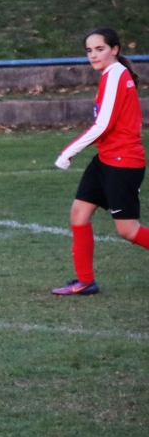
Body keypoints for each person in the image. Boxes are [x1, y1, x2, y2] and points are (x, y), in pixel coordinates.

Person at [52, 28, 146, 296]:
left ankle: (85, 281)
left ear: (114, 50)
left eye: (100, 49)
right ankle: (85, 282)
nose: (93, 55)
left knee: (128, 230)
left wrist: (68, 152)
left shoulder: (116, 75)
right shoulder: (110, 75)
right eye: (89, 50)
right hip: (106, 159)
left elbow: (103, 125)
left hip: (123, 162)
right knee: (79, 214)